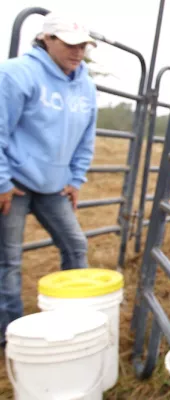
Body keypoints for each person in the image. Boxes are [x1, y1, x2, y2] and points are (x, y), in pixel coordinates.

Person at [0, 13, 98, 347]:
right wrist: (1, 182)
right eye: (70, 44)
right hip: (14, 183)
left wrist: (76, 178)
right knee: (8, 261)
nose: (78, 51)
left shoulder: (86, 86)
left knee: (76, 245)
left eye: (83, 44)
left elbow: (87, 137)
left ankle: (74, 317)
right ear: (47, 39)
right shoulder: (16, 74)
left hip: (55, 186)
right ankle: (10, 332)